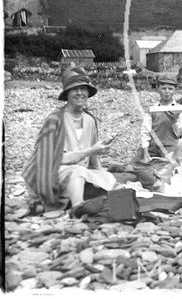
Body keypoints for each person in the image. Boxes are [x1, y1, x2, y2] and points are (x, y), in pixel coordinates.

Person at [22, 67, 117, 211]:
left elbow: (93, 163)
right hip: (52, 172)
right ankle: (78, 207)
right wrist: (91, 150)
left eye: (83, 89)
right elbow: (49, 159)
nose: (80, 93)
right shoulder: (54, 119)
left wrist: (102, 171)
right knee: (77, 171)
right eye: (74, 89)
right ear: (67, 94)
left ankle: (79, 199)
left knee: (109, 179)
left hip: (79, 174)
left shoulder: (90, 120)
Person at [139, 73, 182, 159]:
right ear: (158, 89)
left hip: (170, 148)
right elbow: (145, 131)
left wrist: (174, 121)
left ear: (175, 90)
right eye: (163, 88)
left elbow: (180, 133)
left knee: (170, 166)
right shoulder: (152, 109)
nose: (167, 92)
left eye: (170, 89)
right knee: (137, 164)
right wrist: (146, 151)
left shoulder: (179, 109)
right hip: (153, 147)